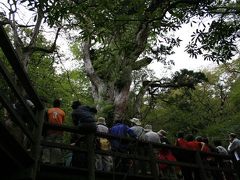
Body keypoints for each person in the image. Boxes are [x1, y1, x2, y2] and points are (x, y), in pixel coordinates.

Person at [70, 100, 97, 168]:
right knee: (88, 142)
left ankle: (78, 141)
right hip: (94, 125)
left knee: (79, 133)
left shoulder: (74, 112)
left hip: (84, 125)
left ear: (74, 106)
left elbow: (75, 123)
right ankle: (90, 164)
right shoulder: (85, 107)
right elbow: (94, 110)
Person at [42, 99, 65, 165]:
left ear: (53, 104)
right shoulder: (62, 112)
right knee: (57, 145)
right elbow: (62, 122)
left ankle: (46, 160)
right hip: (59, 131)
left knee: (47, 145)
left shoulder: (49, 110)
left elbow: (46, 119)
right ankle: (56, 161)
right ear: (59, 105)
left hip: (49, 130)